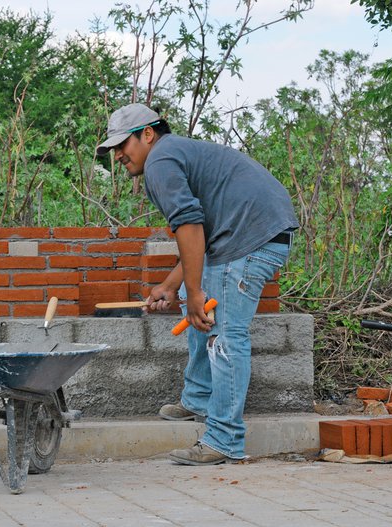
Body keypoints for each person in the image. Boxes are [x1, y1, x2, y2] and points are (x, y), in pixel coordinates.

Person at [96, 103, 299, 466]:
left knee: (223, 333)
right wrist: (175, 286)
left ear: (147, 134)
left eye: (122, 145)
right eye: (113, 150)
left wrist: (192, 293)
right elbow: (197, 234)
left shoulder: (160, 161)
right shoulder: (174, 154)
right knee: (202, 311)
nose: (119, 156)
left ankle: (224, 440)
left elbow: (190, 227)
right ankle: (199, 399)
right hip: (251, 232)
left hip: (250, 237)